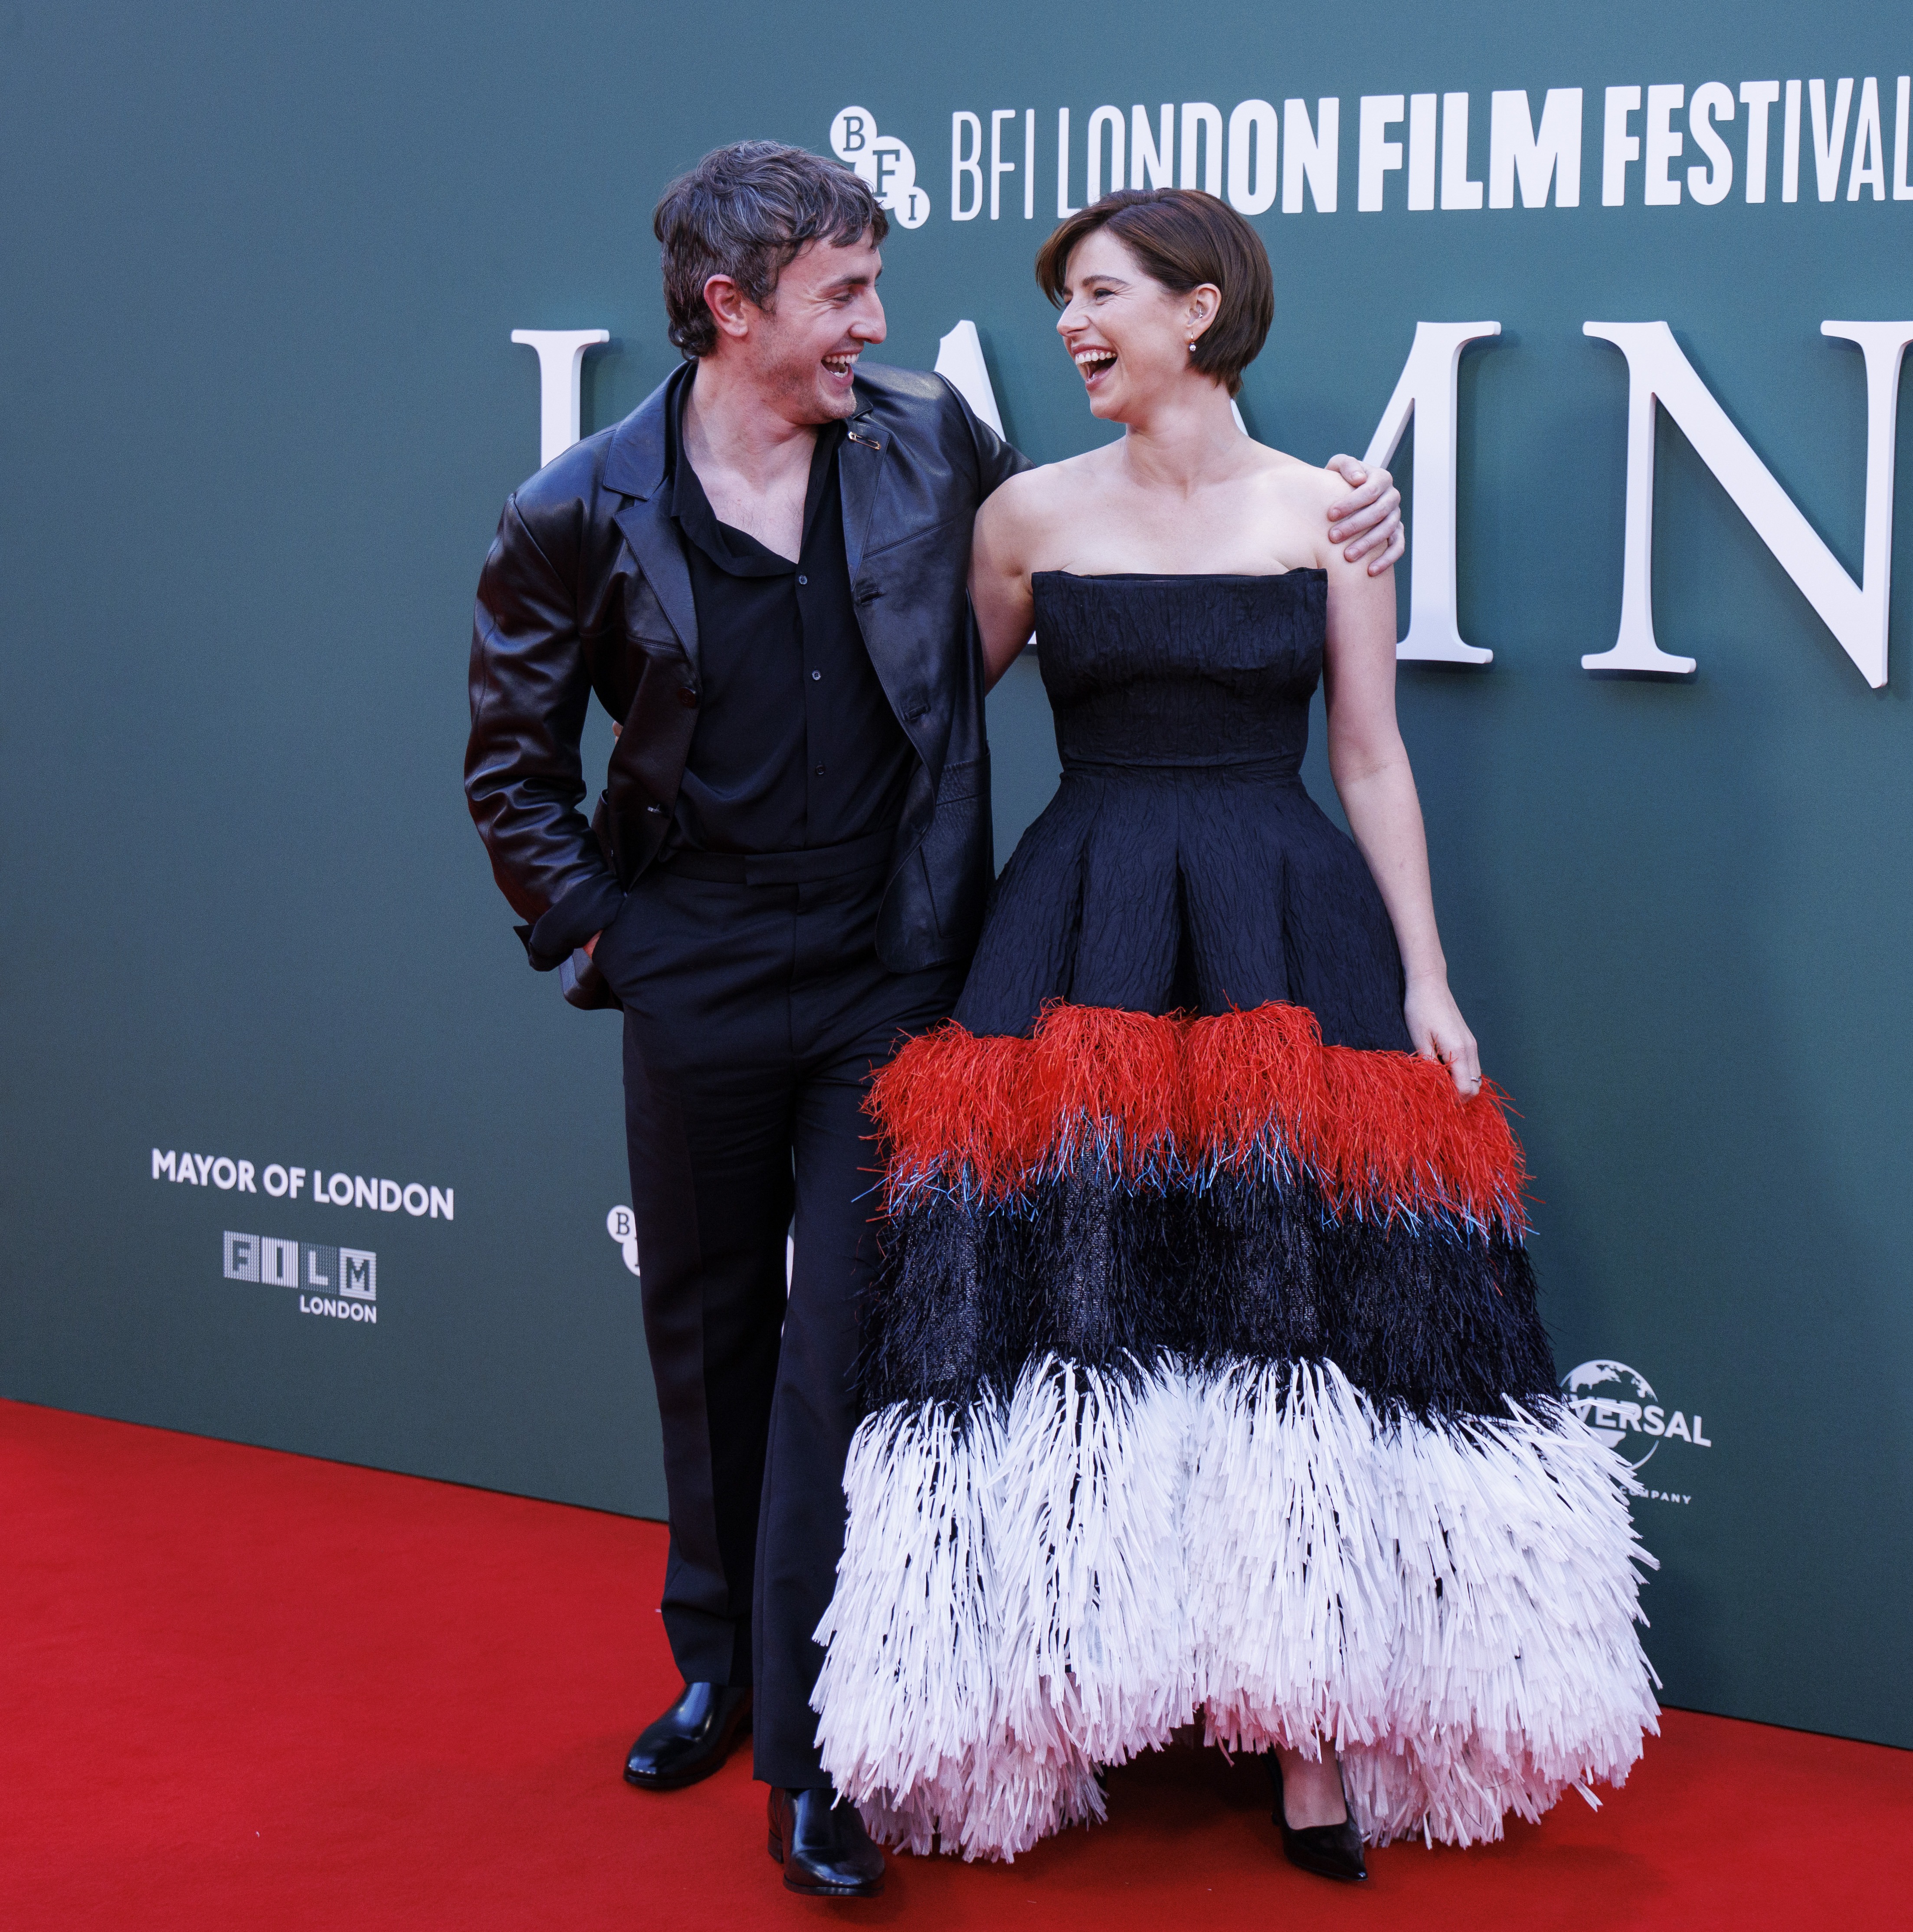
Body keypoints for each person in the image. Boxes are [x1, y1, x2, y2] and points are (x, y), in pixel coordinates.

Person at [463, 146, 1400, 1899]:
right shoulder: (576, 508)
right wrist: (606, 939)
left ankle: (817, 1754)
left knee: (850, 1356)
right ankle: (717, 1658)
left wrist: (1351, 521)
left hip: (895, 961)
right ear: (731, 306)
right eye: (842, 297)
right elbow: (514, 768)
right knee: (711, 1321)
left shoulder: (927, 451)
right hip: (700, 960)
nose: (879, 327)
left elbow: (1121, 571)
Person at [809, 188, 1657, 1881]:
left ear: (1201, 309)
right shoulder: (1024, 513)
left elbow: (1368, 755)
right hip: (1084, 928)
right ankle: (1048, 1702)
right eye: (1064, 301)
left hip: (1286, 919)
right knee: (1069, 1305)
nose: (1072, 324)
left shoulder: (1329, 506)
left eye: (1102, 294)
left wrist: (1426, 973)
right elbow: (923, 738)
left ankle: (1314, 1729)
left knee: (1303, 1312)